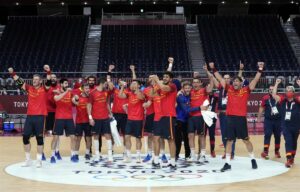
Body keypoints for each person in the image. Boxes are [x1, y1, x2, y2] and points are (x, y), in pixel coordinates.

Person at [210, 61, 263, 172]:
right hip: (230, 119)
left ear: (241, 83)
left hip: (241, 119)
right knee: (229, 141)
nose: (235, 82)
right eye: (233, 81)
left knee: (246, 140)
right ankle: (228, 163)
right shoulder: (228, 89)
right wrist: (213, 68)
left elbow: (255, 80)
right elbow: (220, 78)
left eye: (237, 81)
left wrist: (260, 70)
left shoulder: (245, 90)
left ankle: (253, 159)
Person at [8, 65, 51, 168]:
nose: (34, 81)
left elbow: (49, 82)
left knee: (39, 139)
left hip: (40, 117)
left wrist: (48, 72)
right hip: (30, 117)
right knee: (25, 138)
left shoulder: (44, 89)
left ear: (40, 81)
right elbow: (19, 82)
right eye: (33, 79)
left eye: (36, 79)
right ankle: (28, 160)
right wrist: (12, 73)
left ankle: (39, 160)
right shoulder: (29, 88)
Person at [150, 72, 178, 169]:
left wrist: (157, 80)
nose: (165, 78)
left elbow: (164, 88)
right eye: (164, 77)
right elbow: (151, 94)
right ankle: (156, 161)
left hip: (169, 116)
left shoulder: (172, 86)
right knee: (156, 139)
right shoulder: (160, 86)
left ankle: (173, 163)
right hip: (159, 117)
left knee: (170, 139)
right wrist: (154, 84)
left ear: (170, 79)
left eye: (167, 77)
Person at [272, 79, 300, 167]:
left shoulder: (297, 100)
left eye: (290, 90)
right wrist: (276, 83)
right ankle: (288, 159)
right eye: (287, 91)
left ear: (293, 92)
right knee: (288, 141)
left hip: (296, 125)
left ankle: (292, 157)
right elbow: (273, 95)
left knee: (294, 142)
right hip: (286, 125)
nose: (288, 92)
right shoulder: (283, 100)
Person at [188, 65, 213, 163]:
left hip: (201, 117)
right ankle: (193, 155)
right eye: (193, 82)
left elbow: (211, 85)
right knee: (190, 135)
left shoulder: (204, 91)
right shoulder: (190, 91)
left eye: (197, 82)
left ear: (200, 83)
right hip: (191, 116)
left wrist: (207, 71)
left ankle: (202, 155)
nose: (195, 84)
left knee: (201, 136)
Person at [51, 78, 77, 163]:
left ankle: (73, 155)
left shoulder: (70, 93)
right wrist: (66, 92)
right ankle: (53, 155)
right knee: (55, 137)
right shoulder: (56, 91)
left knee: (73, 137)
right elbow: (57, 99)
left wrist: (77, 98)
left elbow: (74, 101)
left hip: (69, 118)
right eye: (65, 83)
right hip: (59, 118)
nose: (67, 85)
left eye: (67, 83)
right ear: (61, 84)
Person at [87, 78, 113, 163]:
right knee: (96, 136)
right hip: (96, 118)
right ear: (102, 83)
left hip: (105, 118)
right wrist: (90, 118)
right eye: (105, 83)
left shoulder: (106, 92)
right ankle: (97, 155)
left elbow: (107, 103)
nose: (106, 85)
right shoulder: (92, 93)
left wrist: (110, 113)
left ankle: (110, 156)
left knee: (108, 136)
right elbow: (89, 106)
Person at [119, 80, 145, 163]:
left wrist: (137, 89)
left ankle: (138, 156)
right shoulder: (129, 93)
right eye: (131, 84)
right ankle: (128, 155)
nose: (132, 85)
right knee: (127, 137)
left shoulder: (141, 93)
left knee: (138, 139)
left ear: (138, 86)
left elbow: (141, 98)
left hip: (138, 119)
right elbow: (120, 96)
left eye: (134, 84)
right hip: (130, 119)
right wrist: (122, 86)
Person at [257, 85, 282, 159]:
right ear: (268, 91)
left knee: (277, 136)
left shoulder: (279, 97)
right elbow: (261, 107)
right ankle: (265, 152)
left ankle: (277, 151)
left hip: (278, 121)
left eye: (273, 89)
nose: (271, 90)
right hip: (268, 121)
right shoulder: (265, 98)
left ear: (276, 90)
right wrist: (259, 117)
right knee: (267, 135)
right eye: (270, 89)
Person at [72, 83, 92, 161]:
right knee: (78, 139)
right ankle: (76, 154)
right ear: (83, 89)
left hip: (88, 121)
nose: (88, 90)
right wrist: (74, 98)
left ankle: (87, 154)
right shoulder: (78, 97)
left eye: (88, 88)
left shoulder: (90, 98)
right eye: (86, 88)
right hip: (79, 121)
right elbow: (73, 99)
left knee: (88, 138)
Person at [175, 81, 195, 160]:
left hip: (188, 120)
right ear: (183, 89)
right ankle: (176, 155)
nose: (187, 89)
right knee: (178, 139)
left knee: (187, 139)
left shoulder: (191, 95)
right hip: (179, 120)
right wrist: (199, 108)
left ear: (191, 88)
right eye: (185, 88)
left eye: (188, 88)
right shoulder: (180, 96)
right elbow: (186, 110)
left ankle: (187, 155)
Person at [45, 73, 60, 161]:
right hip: (46, 112)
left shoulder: (59, 87)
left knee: (56, 134)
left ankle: (56, 152)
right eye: (52, 77)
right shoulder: (46, 87)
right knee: (43, 133)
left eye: (55, 77)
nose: (53, 79)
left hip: (56, 113)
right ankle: (42, 153)